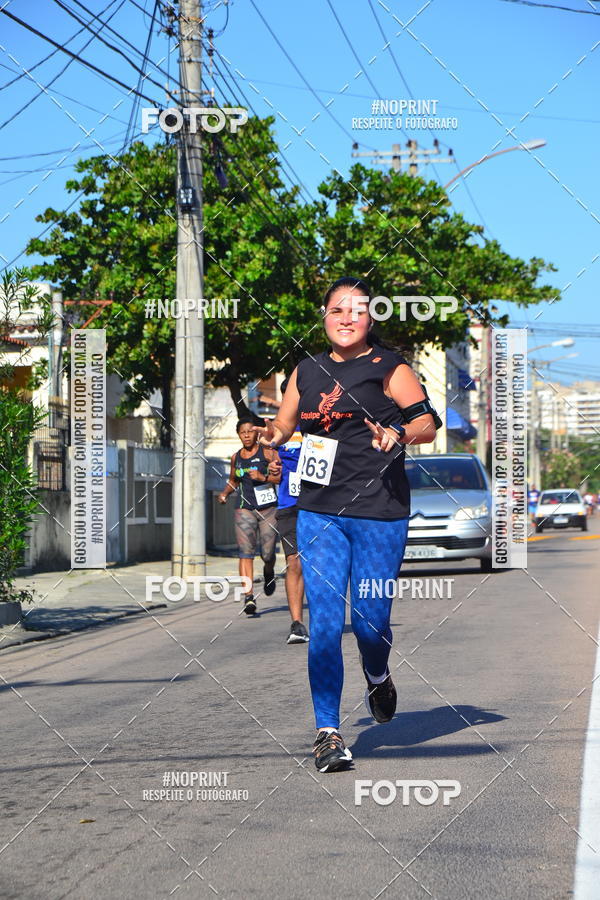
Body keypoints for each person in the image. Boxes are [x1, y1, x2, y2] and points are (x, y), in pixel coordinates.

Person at [256, 277, 437, 772]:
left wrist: (397, 431)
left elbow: (427, 423)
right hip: (320, 511)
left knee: (372, 623)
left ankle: (376, 673)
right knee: (326, 625)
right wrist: (266, 434)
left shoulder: (389, 366)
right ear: (325, 315)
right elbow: (285, 426)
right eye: (338, 310)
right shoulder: (306, 370)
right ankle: (328, 732)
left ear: (370, 318)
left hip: (380, 511)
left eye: (357, 311)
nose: (346, 318)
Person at [218, 418, 279, 616]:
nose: (246, 435)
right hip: (244, 508)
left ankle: (269, 571)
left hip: (268, 508)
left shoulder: (268, 453)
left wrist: (264, 478)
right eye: (242, 432)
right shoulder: (237, 457)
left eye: (249, 431)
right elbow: (233, 480)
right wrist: (225, 493)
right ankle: (249, 596)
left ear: (256, 434)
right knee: (245, 552)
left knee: (268, 553)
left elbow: (280, 477)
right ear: (238, 434)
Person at [267, 377, 309, 645]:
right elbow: (272, 475)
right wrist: (274, 472)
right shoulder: (275, 431)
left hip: (322, 503)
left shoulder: (321, 426)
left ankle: (327, 616)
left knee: (319, 564)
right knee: (294, 562)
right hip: (289, 505)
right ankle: (297, 624)